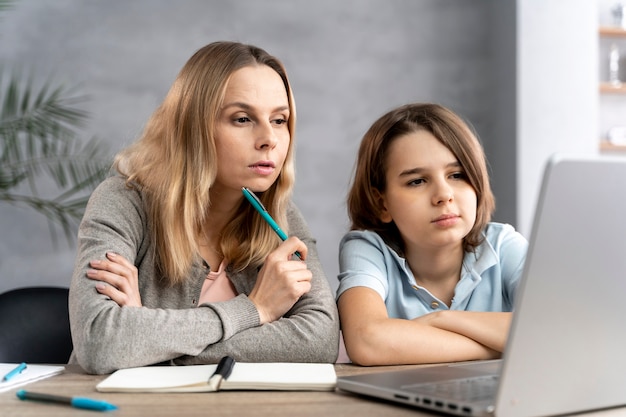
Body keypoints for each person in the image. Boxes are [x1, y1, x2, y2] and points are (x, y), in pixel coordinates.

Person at [68, 41, 339, 374]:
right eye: (242, 119)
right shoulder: (122, 202)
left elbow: (319, 341)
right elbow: (101, 342)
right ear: (192, 126)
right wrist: (253, 311)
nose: (269, 138)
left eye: (280, 120)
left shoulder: (281, 217)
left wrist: (150, 344)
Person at [336, 103, 527, 366]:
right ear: (382, 203)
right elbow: (367, 342)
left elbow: (559, 326)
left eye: (457, 175)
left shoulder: (504, 245)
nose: (443, 195)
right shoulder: (367, 249)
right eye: (417, 181)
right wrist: (501, 346)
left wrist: (443, 319)